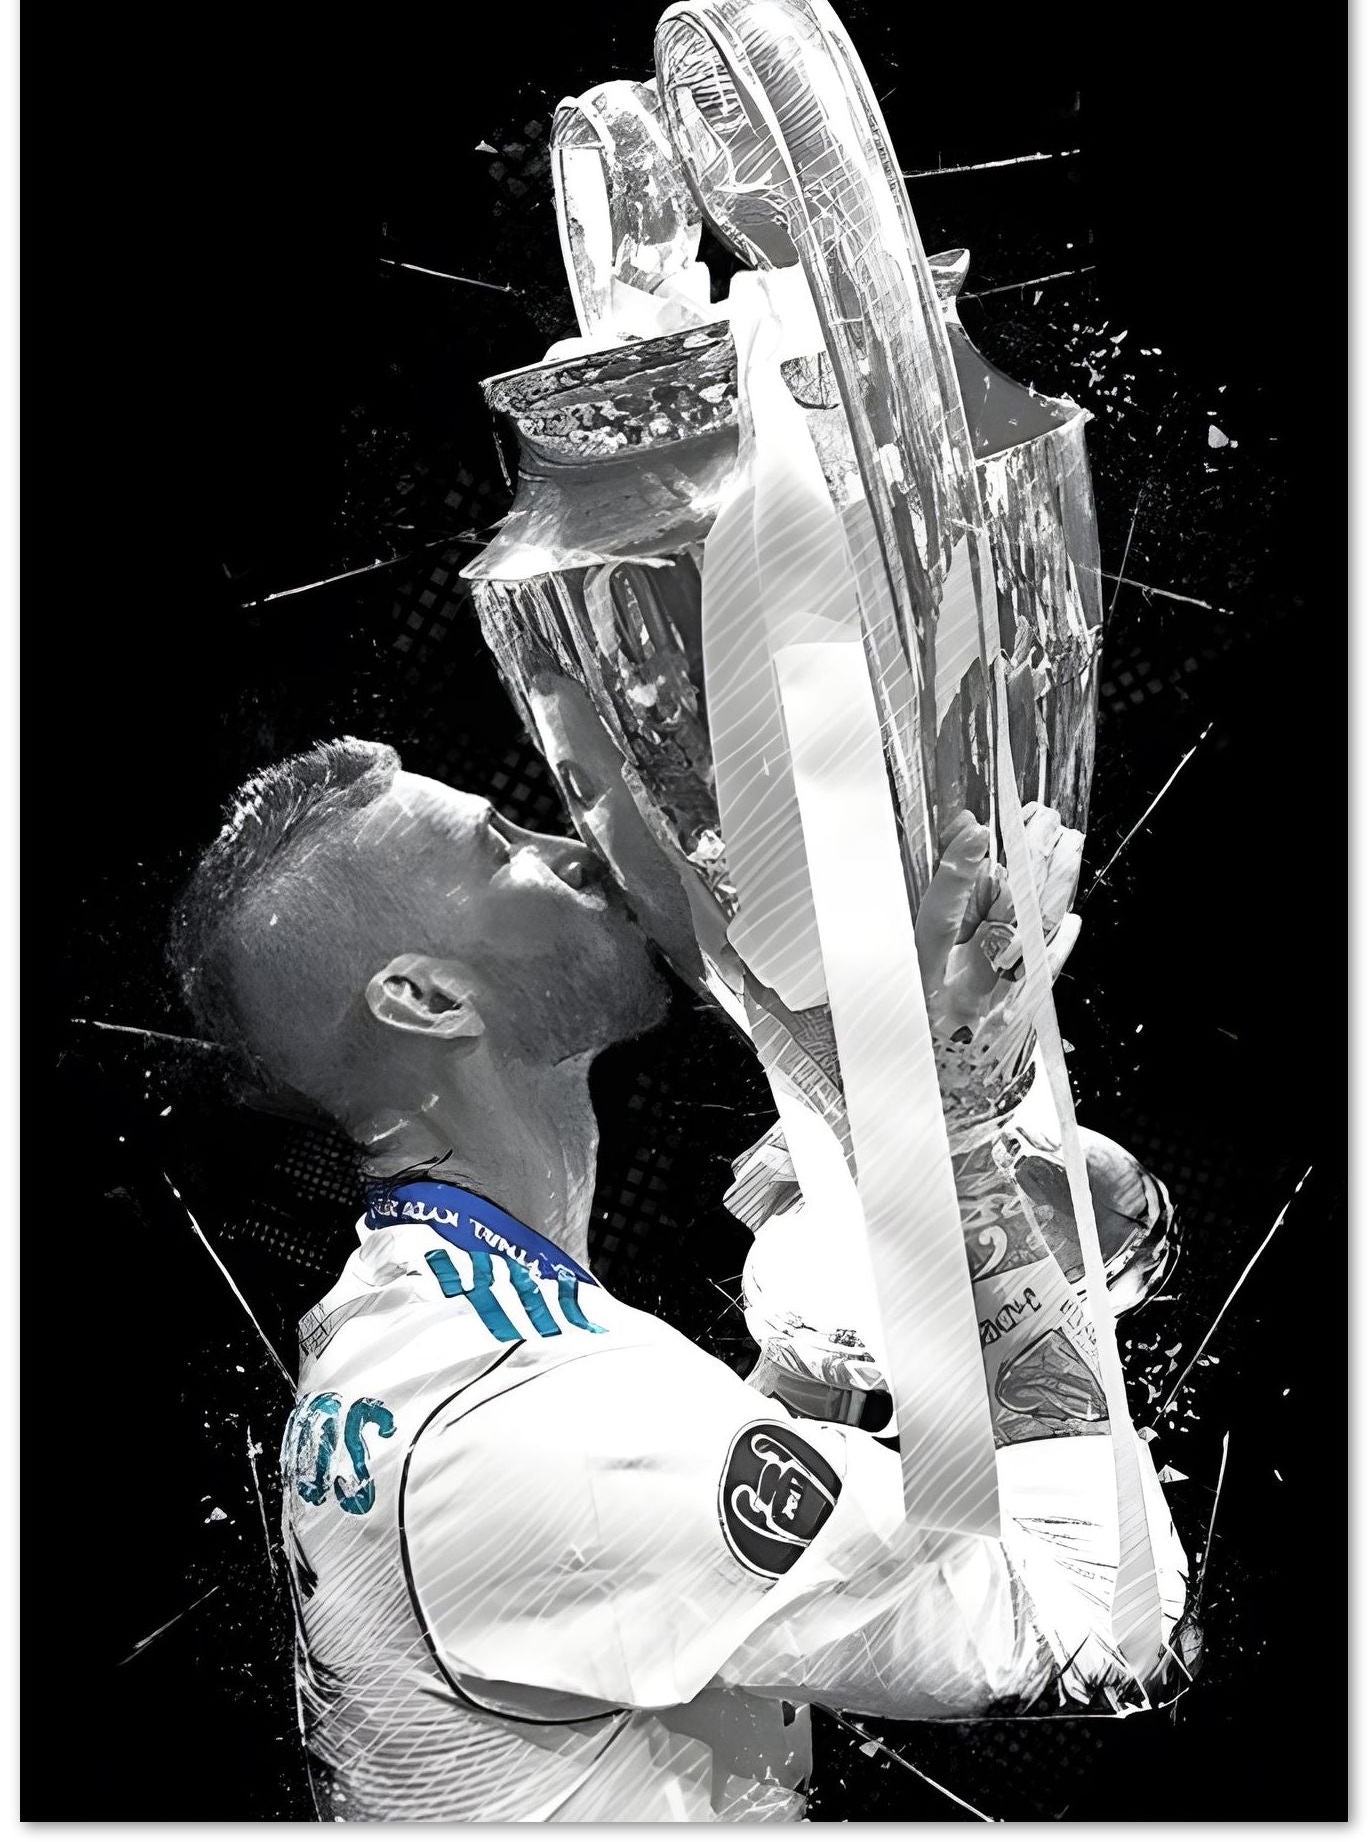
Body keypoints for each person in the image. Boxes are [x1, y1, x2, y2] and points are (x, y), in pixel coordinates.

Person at [171, 735, 1188, 1824]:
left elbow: (653, 1579)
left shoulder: (412, 1327)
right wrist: (955, 1141)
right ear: (425, 996)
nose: (575, 848)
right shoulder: (538, 1420)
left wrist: (809, 1357)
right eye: (501, 846)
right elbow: (1113, 1624)